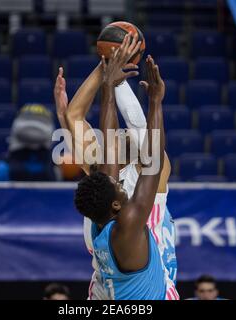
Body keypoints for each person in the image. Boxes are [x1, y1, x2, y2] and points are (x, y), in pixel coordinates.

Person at [54, 33, 177, 300]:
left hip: (108, 287)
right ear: (118, 204)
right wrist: (152, 99)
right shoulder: (132, 209)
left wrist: (107, 69)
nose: (118, 135)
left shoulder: (102, 186)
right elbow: (141, 130)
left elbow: (88, 124)